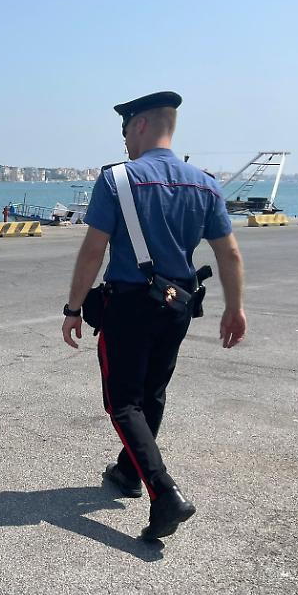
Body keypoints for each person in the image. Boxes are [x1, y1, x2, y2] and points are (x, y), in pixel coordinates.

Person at [61, 92, 246, 541]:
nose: (124, 140)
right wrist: (234, 308)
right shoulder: (205, 184)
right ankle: (128, 472)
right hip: (177, 305)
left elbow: (93, 251)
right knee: (153, 392)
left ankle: (164, 494)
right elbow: (229, 254)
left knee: (122, 402)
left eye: (125, 130)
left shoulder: (117, 180)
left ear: (140, 125)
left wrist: (73, 308)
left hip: (128, 305)